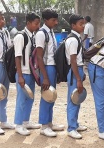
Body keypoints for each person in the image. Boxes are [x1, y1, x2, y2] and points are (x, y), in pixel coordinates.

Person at [35, 8, 64, 137]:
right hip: (46, 67)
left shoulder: (51, 32)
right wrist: (45, 77)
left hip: (53, 67)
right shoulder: (41, 34)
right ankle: (44, 125)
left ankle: (49, 122)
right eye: (53, 20)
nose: (56, 22)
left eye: (56, 20)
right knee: (46, 95)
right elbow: (39, 57)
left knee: (51, 96)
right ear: (46, 20)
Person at [13, 12, 41, 136]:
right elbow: (17, 57)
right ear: (28, 23)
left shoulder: (32, 36)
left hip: (31, 72)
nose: (38, 26)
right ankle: (18, 124)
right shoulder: (21, 36)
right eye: (36, 23)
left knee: (30, 97)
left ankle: (25, 121)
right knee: (21, 99)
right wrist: (20, 76)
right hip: (23, 72)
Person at [65, 14, 87, 139]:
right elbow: (73, 60)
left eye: (83, 23)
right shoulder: (73, 40)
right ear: (73, 25)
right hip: (74, 71)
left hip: (78, 69)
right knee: (73, 99)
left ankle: (75, 124)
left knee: (77, 98)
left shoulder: (77, 38)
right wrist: (78, 78)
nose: (83, 26)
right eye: (80, 24)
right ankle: (71, 128)